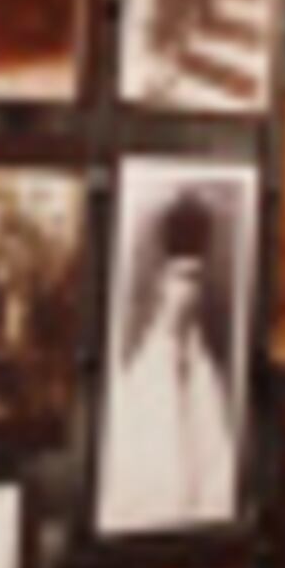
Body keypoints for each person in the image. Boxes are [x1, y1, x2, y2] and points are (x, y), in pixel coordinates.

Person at [103, 192, 241, 533]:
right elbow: (176, 328)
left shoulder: (172, 280)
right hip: (171, 360)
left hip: (175, 356)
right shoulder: (185, 284)